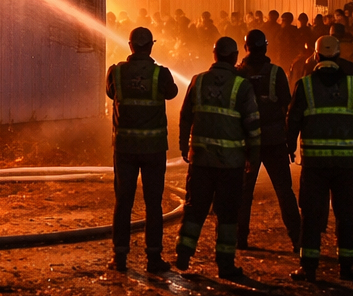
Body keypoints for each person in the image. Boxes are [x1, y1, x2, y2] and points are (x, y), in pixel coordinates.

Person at [286, 36, 353, 282]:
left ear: (316, 56)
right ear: (337, 56)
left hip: (314, 163)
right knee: (346, 214)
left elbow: (293, 119)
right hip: (347, 163)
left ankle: (308, 267)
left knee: (312, 215)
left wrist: (290, 147)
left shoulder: (304, 85)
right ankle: (346, 267)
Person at [175, 37, 260, 280]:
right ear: (234, 57)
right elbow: (253, 125)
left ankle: (183, 254)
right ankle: (225, 265)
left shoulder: (198, 81)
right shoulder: (242, 86)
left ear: (215, 55)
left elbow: (185, 116)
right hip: (231, 164)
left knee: (194, 208)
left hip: (201, 160)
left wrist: (184, 146)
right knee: (228, 214)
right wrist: (253, 156)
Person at [106, 27, 180, 273]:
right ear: (150, 46)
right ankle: (153, 258)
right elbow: (172, 93)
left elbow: (110, 93)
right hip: (153, 149)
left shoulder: (116, 73)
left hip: (125, 149)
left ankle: (119, 258)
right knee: (153, 204)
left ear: (130, 46)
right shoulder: (161, 74)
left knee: (123, 202)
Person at [235, 30, 301, 252]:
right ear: (265, 47)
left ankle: (240, 239)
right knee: (284, 190)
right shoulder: (276, 73)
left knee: (243, 192)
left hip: (246, 143)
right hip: (274, 140)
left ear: (246, 48)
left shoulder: (238, 73)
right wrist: (289, 142)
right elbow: (288, 108)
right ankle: (297, 239)